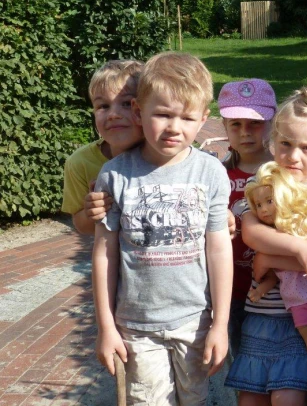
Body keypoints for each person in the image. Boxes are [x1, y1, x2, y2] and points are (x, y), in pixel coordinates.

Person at [92, 52, 233, 405]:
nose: (174, 127)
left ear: (203, 119)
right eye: (163, 114)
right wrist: (105, 327)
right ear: (140, 112)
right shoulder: (115, 175)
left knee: (196, 399)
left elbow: (218, 249)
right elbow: (104, 254)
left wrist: (220, 324)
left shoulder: (211, 172)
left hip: (195, 321)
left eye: (187, 117)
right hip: (137, 326)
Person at [225, 87, 307, 406]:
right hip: (261, 315)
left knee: (288, 398)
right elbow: (252, 234)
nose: (294, 156)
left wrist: (270, 257)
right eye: (286, 144)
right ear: (272, 143)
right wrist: (299, 249)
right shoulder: (259, 186)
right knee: (249, 401)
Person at [244, 161, 307, 366]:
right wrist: (261, 288)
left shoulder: (299, 220)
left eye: (269, 201)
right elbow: (271, 274)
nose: (263, 210)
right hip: (296, 292)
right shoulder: (268, 236)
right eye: (258, 205)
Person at [218, 79, 277, 349]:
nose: (245, 132)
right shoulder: (216, 175)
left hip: (277, 291)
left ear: (273, 123)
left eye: (255, 123)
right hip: (228, 290)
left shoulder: (283, 177)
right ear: (224, 128)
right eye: (236, 124)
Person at [62, 60, 144, 235]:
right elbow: (81, 226)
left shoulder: (166, 156)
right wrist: (92, 211)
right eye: (103, 106)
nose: (113, 115)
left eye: (126, 104)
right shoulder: (80, 162)